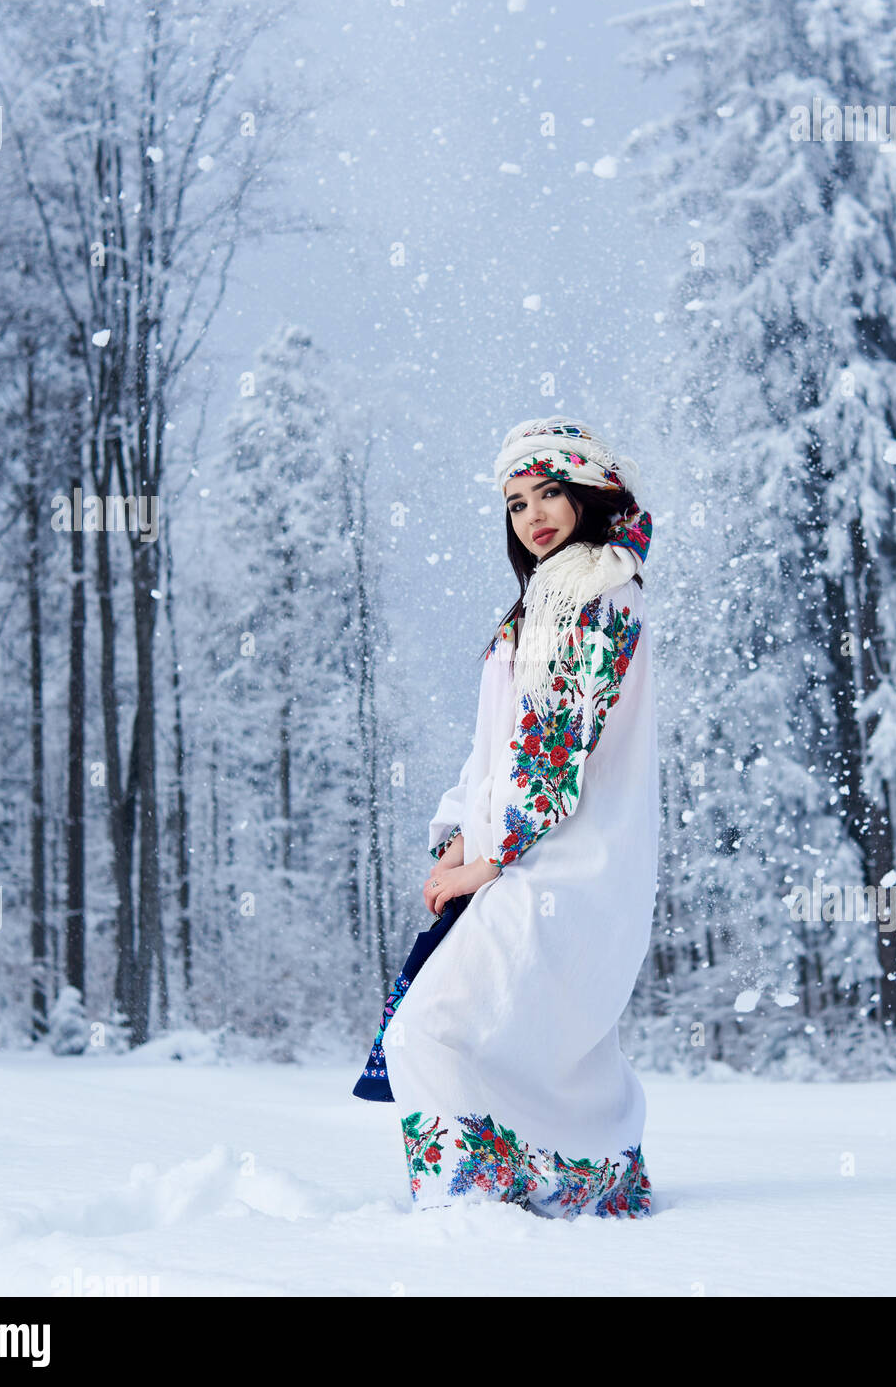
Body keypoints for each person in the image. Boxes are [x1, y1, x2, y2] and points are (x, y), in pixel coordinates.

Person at [358, 415, 658, 1219]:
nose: (534, 515)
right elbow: (493, 746)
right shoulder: (538, 606)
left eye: (551, 491)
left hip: (563, 865)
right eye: (517, 501)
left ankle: (472, 1211)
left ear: (592, 493)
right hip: (524, 857)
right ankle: (576, 1193)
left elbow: (552, 753)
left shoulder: (599, 596)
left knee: (435, 1028)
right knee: (535, 1040)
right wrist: (458, 833)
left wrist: (484, 864)